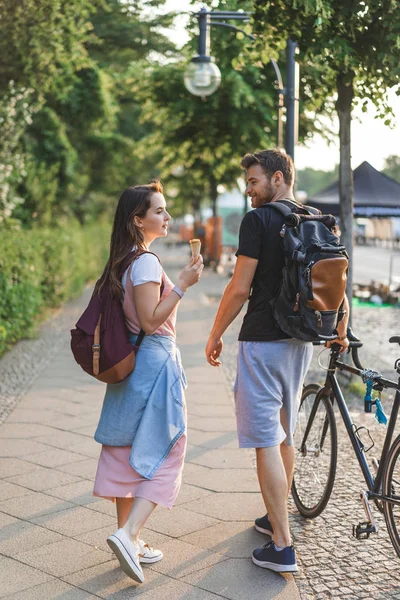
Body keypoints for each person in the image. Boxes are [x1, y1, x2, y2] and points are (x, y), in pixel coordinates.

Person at [205, 149, 349, 573]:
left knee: (266, 438)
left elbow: (238, 287)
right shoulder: (317, 219)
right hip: (301, 341)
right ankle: (275, 517)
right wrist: (340, 326)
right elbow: (337, 278)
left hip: (263, 340)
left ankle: (283, 545)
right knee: (283, 433)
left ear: (279, 177)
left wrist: (215, 334)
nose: (248, 190)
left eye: (254, 181)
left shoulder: (259, 221)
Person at [93, 182, 203, 583]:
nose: (167, 217)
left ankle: (131, 542)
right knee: (168, 447)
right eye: (159, 211)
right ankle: (129, 532)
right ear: (138, 220)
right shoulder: (144, 262)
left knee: (124, 450)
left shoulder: (124, 260)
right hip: (154, 364)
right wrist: (184, 286)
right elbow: (152, 320)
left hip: (133, 366)